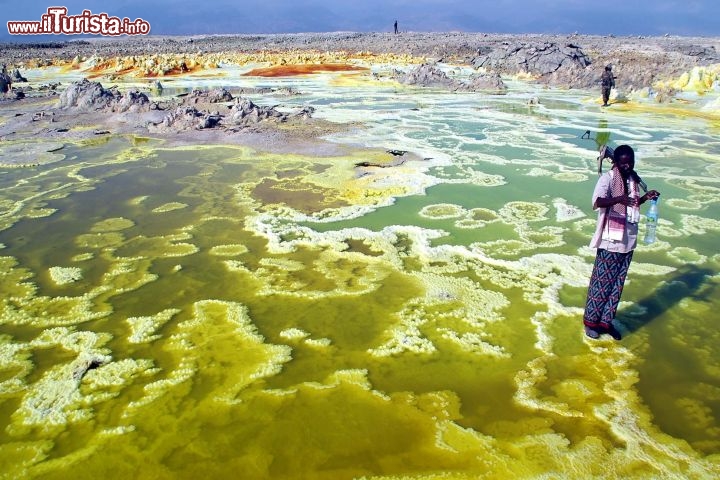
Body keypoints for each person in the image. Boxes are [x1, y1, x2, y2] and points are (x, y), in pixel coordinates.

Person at [583, 144, 660, 340]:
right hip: (611, 241)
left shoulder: (633, 180)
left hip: (628, 240)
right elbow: (597, 202)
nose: (628, 166)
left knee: (617, 284)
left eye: (631, 162)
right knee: (601, 283)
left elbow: (631, 204)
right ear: (616, 162)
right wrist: (618, 199)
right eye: (624, 163)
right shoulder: (607, 179)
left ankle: (606, 322)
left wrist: (644, 198)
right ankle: (591, 323)